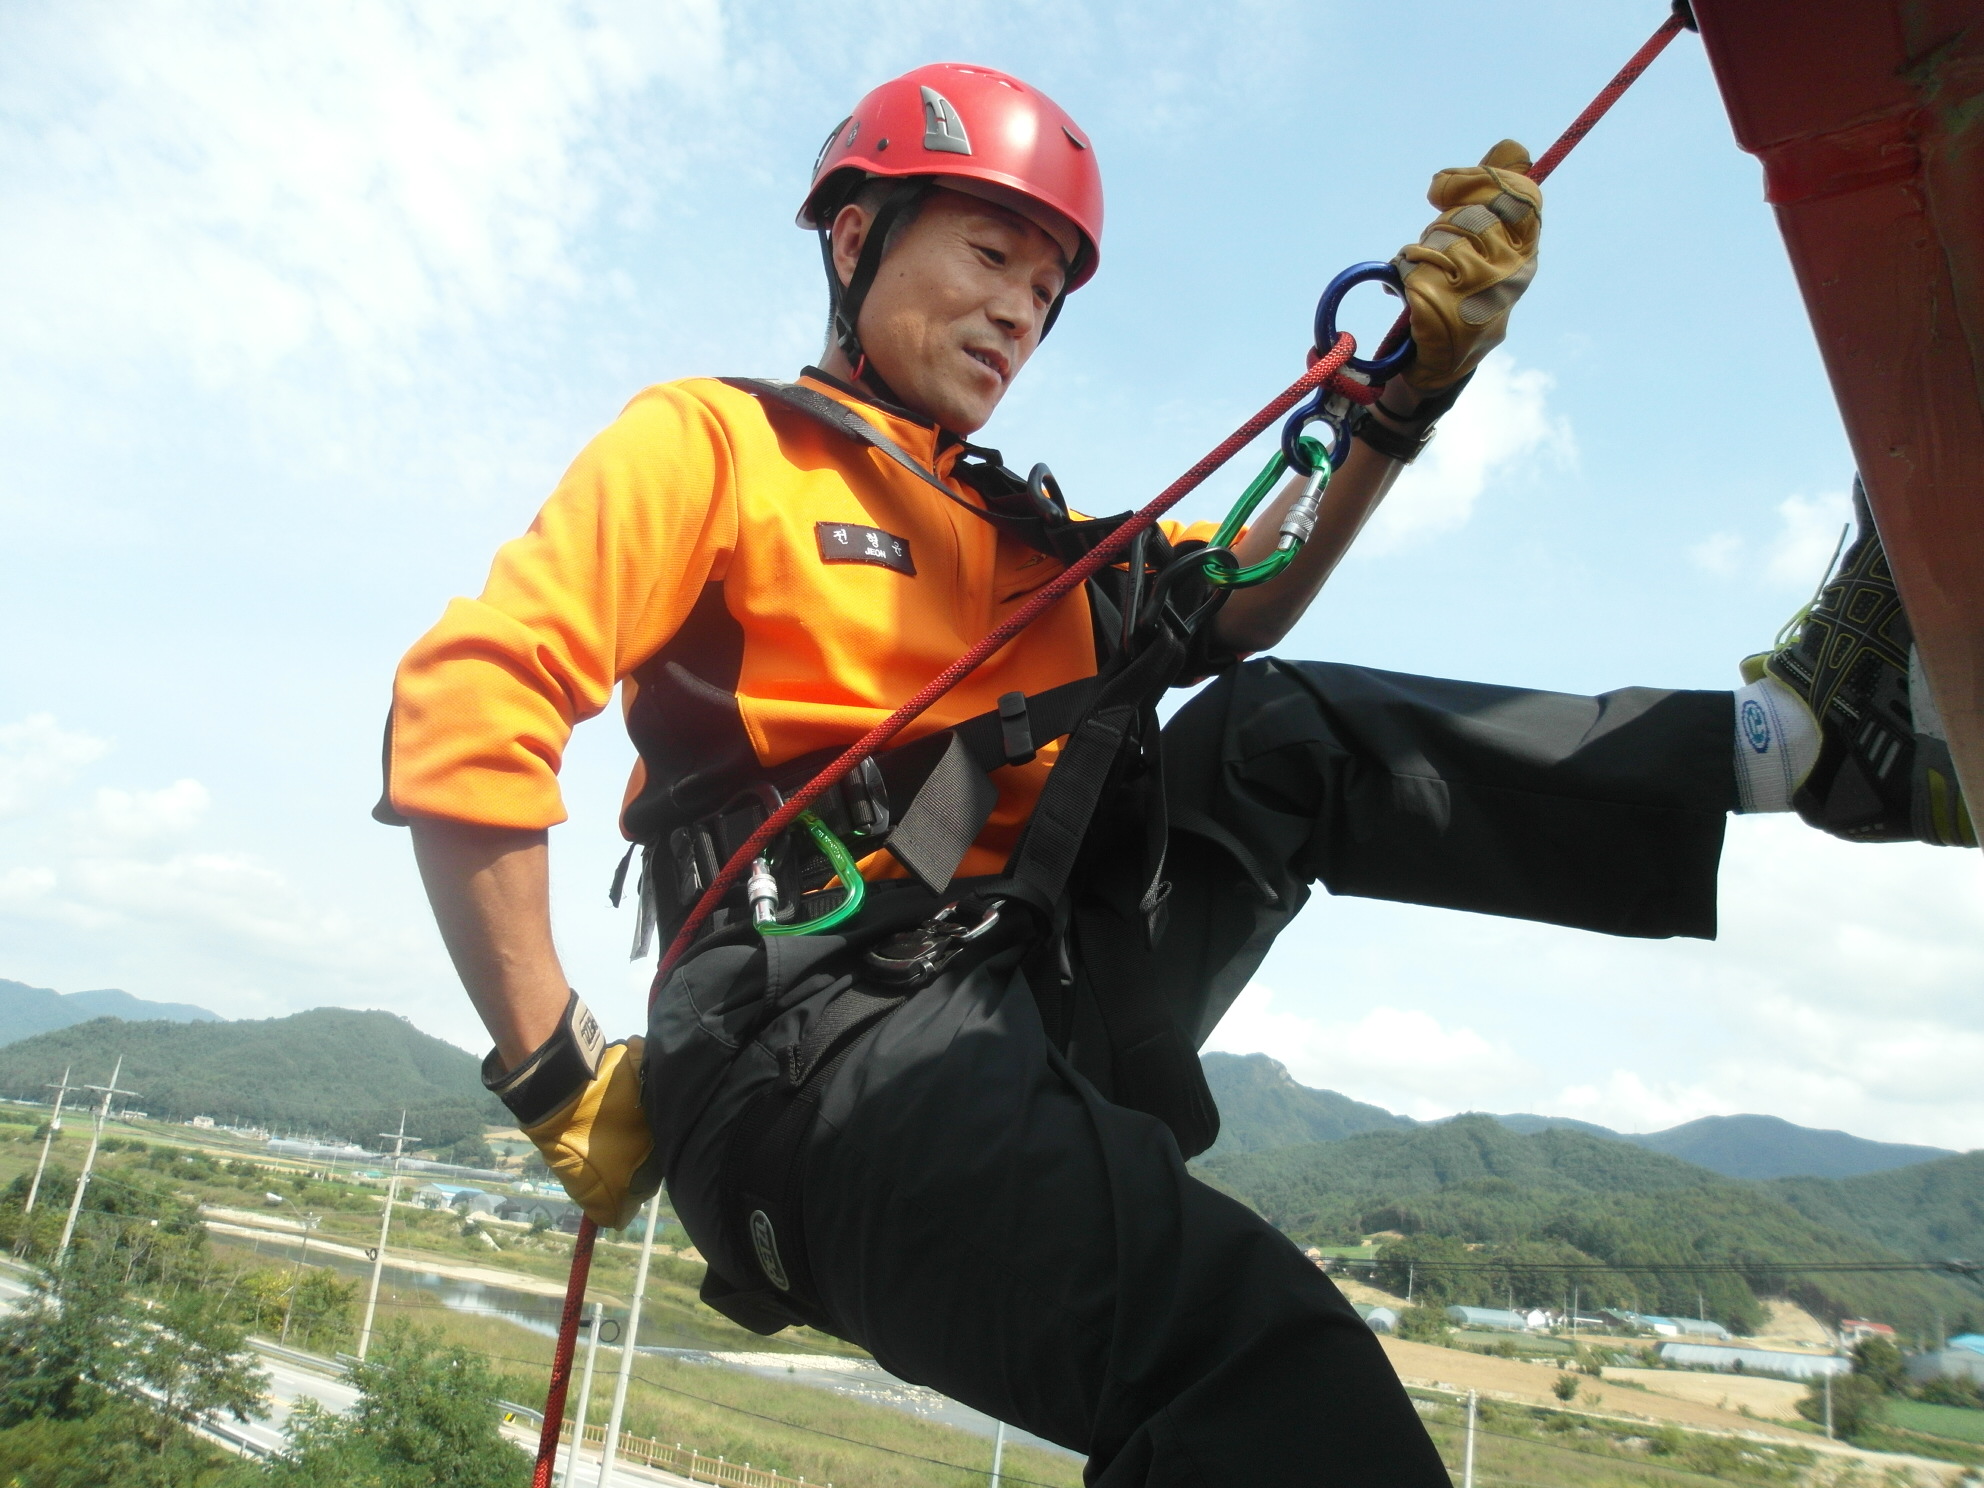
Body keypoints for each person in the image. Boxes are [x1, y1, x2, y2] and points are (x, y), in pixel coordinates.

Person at [377, 64, 1973, 1486]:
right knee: (1263, 1377)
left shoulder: (1029, 541)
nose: (1021, 311)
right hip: (816, 1052)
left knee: (1277, 729)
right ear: (855, 239)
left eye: (1047, 288)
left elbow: (1246, 592)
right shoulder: (720, 445)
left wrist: (1400, 397)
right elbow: (471, 702)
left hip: (1018, 996)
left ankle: (1808, 751)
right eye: (988, 255)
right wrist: (555, 1071)